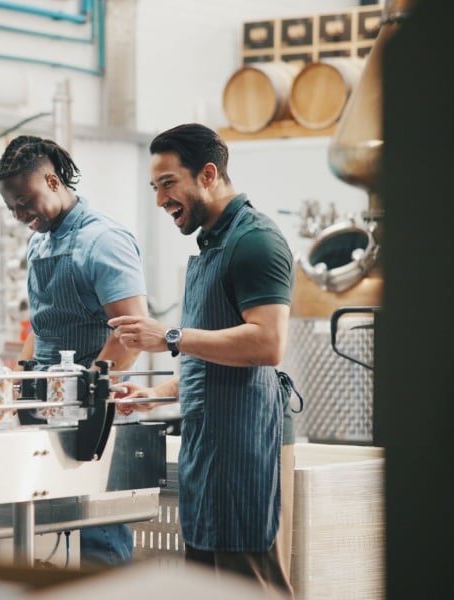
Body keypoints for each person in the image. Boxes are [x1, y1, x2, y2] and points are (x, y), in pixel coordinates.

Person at [109, 123, 298, 596]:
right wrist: (155, 393)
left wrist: (169, 335)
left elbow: (267, 343)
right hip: (207, 448)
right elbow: (206, 354)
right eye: (154, 188)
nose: (160, 200)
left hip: (246, 449)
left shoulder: (255, 240)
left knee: (250, 586)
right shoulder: (210, 245)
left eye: (168, 184)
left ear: (208, 174)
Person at [0, 135, 149, 570]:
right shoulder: (40, 241)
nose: (22, 216)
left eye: (27, 202)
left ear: (52, 179)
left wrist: (86, 396)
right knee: (46, 543)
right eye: (13, 209)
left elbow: (128, 336)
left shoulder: (105, 241)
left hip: (88, 416)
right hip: (46, 409)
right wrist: (20, 382)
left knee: (95, 539)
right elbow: (42, 326)